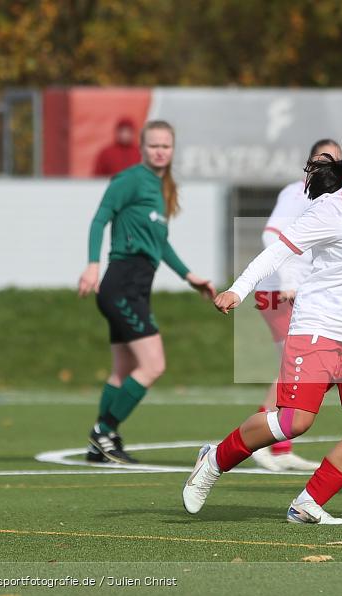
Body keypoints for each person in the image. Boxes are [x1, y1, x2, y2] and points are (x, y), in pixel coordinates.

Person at [182, 121, 342, 525]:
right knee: (294, 422)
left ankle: (309, 501)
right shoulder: (331, 208)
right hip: (319, 327)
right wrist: (238, 289)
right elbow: (276, 253)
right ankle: (214, 459)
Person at [78, 120, 217, 464]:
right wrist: (92, 264)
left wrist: (190, 276)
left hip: (135, 286)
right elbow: (99, 219)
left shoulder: (161, 187)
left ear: (172, 150)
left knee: (122, 370)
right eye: (153, 145)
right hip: (121, 283)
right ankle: (103, 432)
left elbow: (160, 243)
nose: (159, 151)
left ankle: (102, 443)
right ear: (142, 148)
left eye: (165, 146)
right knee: (153, 365)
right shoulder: (129, 180)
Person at [250, 138, 341, 472]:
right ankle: (259, 441)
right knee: (295, 366)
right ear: (309, 162)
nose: (328, 164)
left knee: (299, 368)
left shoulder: (336, 197)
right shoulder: (296, 192)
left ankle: (279, 447)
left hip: (304, 294)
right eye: (322, 158)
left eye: (335, 159)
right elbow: (270, 235)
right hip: (279, 291)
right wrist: (289, 280)